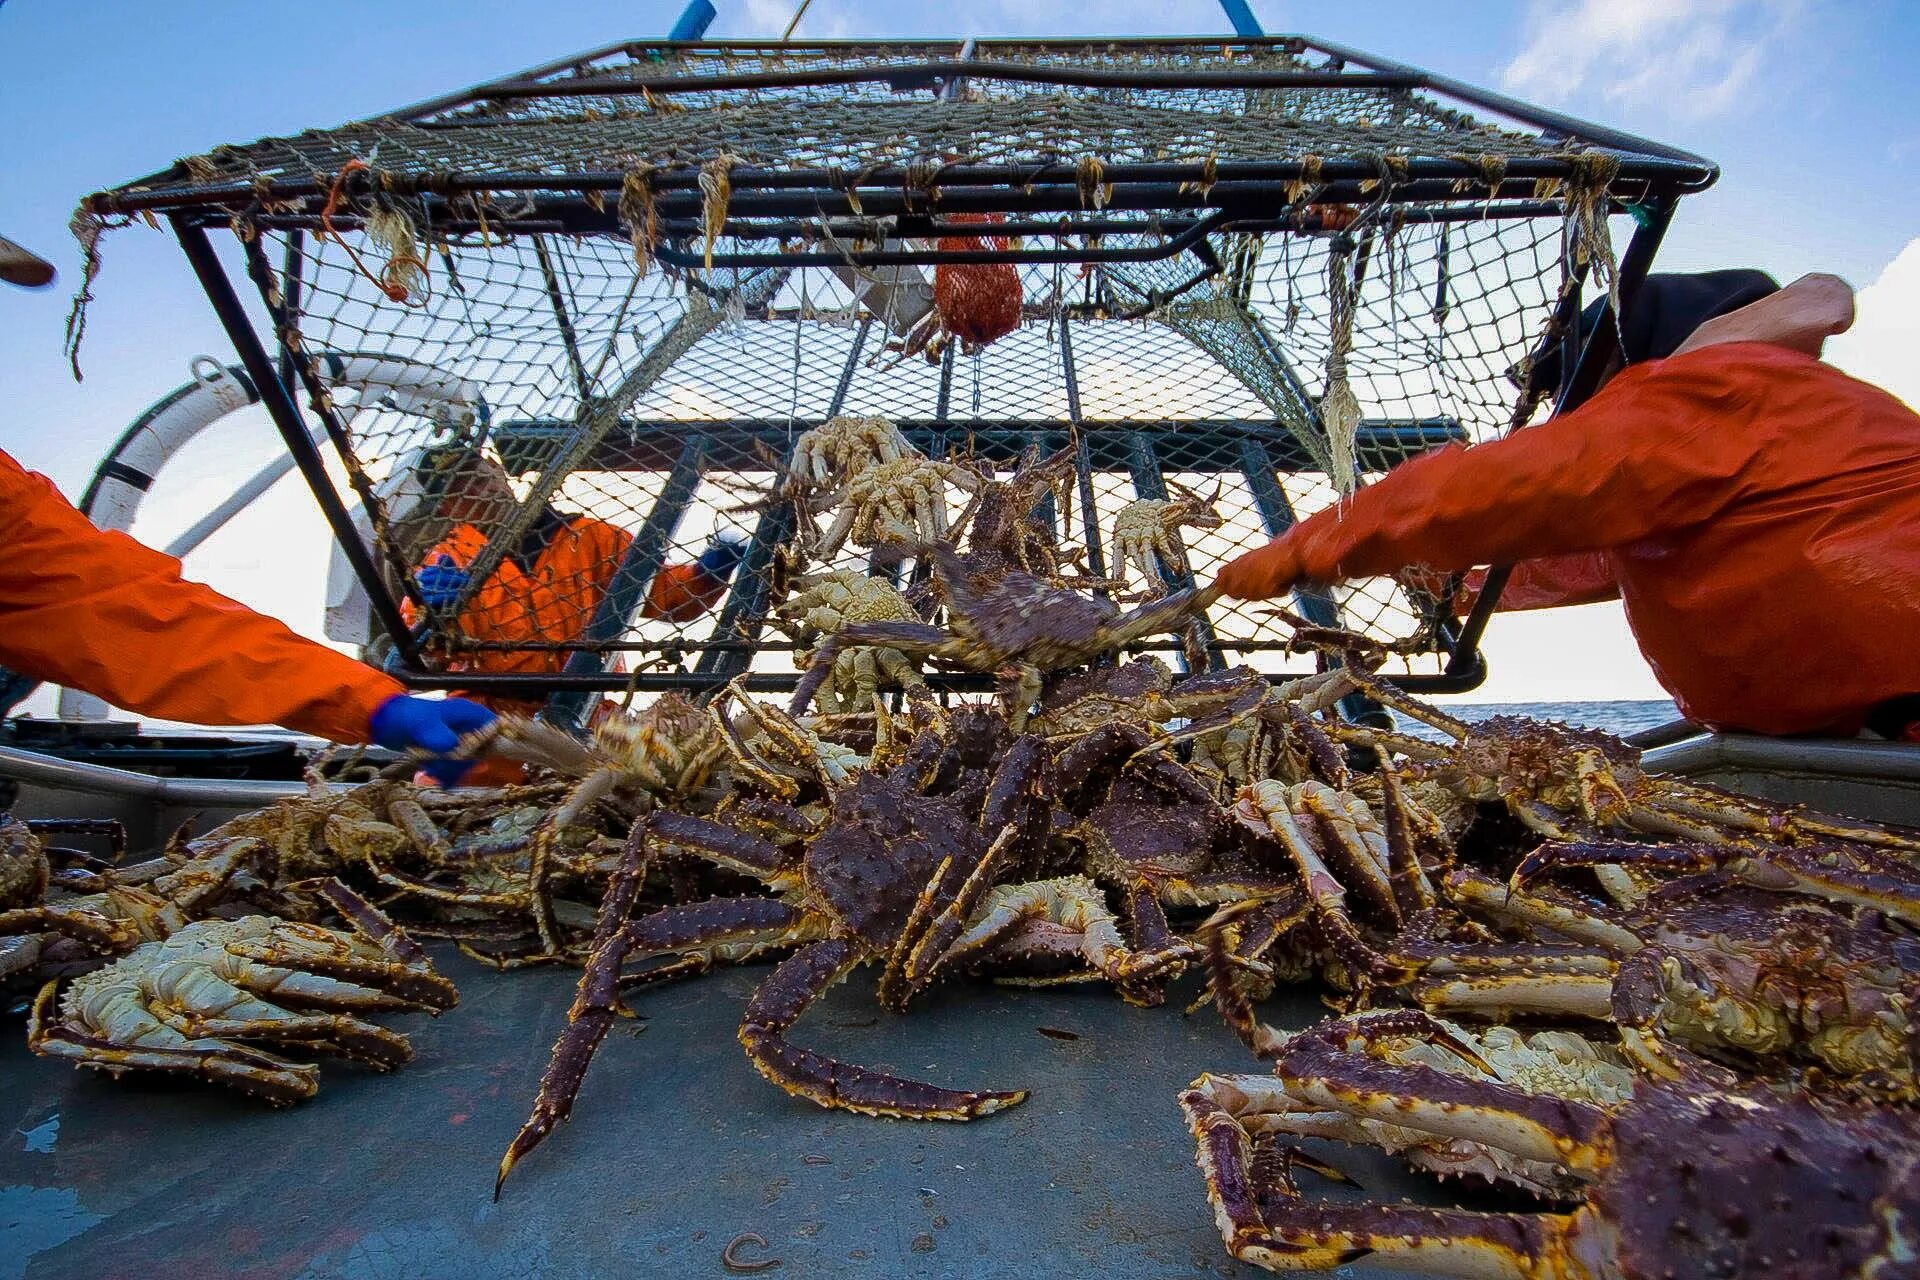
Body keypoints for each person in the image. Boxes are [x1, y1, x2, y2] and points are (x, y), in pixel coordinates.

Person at [1214, 271, 1920, 740]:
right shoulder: (1770, 436)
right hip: (1866, 729)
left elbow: (1511, 487)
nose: (1568, 412)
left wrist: (1311, 545)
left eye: (1574, 391)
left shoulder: (1724, 386)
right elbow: (1577, 561)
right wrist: (1443, 583)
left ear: (1628, 357)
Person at [0, 447, 493, 782]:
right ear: (447, 500)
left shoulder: (575, 537)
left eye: (479, 478)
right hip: (474, 733)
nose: (475, 493)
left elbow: (132, 617)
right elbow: (420, 647)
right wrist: (434, 621)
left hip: (519, 734)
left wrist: (371, 703)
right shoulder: (445, 559)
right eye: (460, 486)